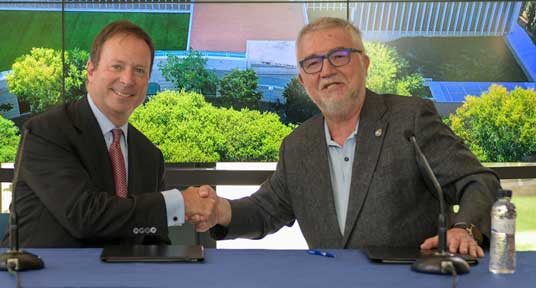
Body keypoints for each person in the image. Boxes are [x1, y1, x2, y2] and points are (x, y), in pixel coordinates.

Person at [192, 17, 499, 257]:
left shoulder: (411, 119)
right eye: (312, 63)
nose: (326, 70)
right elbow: (265, 210)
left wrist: (465, 229)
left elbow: (478, 181)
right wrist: (220, 210)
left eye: (339, 56)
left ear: (364, 63)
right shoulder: (297, 146)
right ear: (303, 81)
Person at [5, 21, 216, 248]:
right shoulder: (45, 132)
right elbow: (85, 217)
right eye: (117, 66)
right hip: (45, 270)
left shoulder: (150, 156)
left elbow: (154, 243)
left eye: (139, 70)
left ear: (147, 80)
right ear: (91, 71)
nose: (127, 80)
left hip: (126, 272)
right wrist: (180, 203)